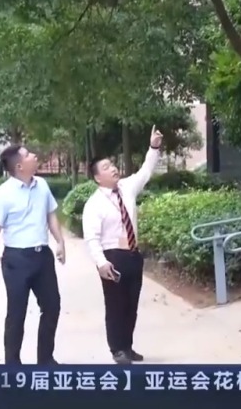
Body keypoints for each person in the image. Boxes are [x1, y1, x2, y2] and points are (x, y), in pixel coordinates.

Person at [82, 125, 162, 365]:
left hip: (132, 255)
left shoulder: (127, 187)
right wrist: (101, 263)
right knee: (115, 305)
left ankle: (127, 346)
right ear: (98, 177)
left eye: (113, 165)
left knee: (131, 304)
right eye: (106, 167)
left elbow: (146, 171)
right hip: (112, 258)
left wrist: (153, 147)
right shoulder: (94, 204)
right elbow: (91, 237)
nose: (114, 168)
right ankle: (117, 349)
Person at [0, 145, 66, 365]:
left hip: (42, 257)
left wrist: (60, 241)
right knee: (16, 313)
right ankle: (12, 364)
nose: (34, 155)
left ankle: (45, 359)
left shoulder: (42, 186)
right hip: (16, 260)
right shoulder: (2, 194)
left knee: (52, 306)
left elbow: (51, 215)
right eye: (29, 154)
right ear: (19, 166)